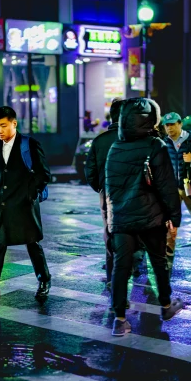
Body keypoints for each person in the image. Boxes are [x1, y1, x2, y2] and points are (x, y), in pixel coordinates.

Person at [105, 97, 184, 336]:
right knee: (158, 262)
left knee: (121, 267)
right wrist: (174, 216)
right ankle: (167, 305)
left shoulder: (115, 147)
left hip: (121, 219)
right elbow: (166, 185)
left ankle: (119, 320)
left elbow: (109, 186)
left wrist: (112, 218)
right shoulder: (155, 145)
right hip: (151, 217)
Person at [0, 106, 52, 305]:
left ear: (14, 123)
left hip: (24, 205)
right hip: (1, 205)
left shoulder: (29, 144)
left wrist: (30, 193)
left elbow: (44, 174)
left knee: (32, 244)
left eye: (3, 125)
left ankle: (44, 281)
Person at [84, 99, 123, 286]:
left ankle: (111, 276)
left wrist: (100, 187)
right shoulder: (135, 139)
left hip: (106, 192)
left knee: (109, 231)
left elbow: (89, 171)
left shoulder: (99, 141)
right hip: (132, 193)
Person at [161, 112, 191, 261]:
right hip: (172, 187)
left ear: (180, 124)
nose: (170, 128)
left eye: (173, 124)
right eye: (167, 125)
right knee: (171, 218)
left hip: (189, 185)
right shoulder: (163, 143)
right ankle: (169, 247)